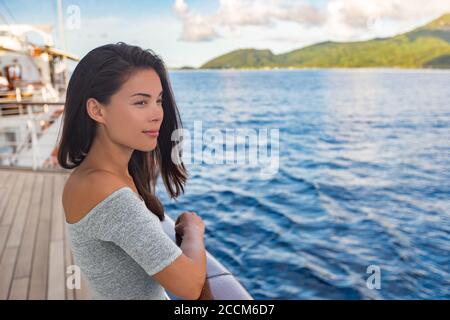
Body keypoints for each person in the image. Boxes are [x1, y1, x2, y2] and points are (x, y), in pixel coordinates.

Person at [57, 42, 206, 300]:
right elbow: (190, 287)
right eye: (140, 102)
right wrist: (194, 229)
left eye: (159, 101)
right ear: (97, 110)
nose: (158, 113)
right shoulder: (103, 191)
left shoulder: (105, 174)